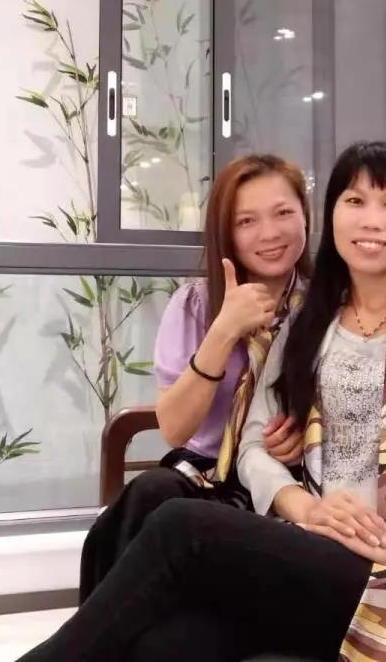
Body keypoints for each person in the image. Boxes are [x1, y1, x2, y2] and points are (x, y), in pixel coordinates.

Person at [19, 141, 386, 662]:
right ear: (331, 216)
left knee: (181, 526)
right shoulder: (308, 325)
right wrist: (306, 507)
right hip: (309, 552)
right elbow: (252, 443)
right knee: (162, 646)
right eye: (355, 201)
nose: (372, 220)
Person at [77, 153, 312, 603]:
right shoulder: (196, 305)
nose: (269, 233)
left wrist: (310, 435)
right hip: (205, 476)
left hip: (289, 481)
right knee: (151, 495)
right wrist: (223, 331)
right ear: (226, 232)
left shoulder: (328, 308)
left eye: (283, 213)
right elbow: (174, 429)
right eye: (247, 221)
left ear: (306, 215)